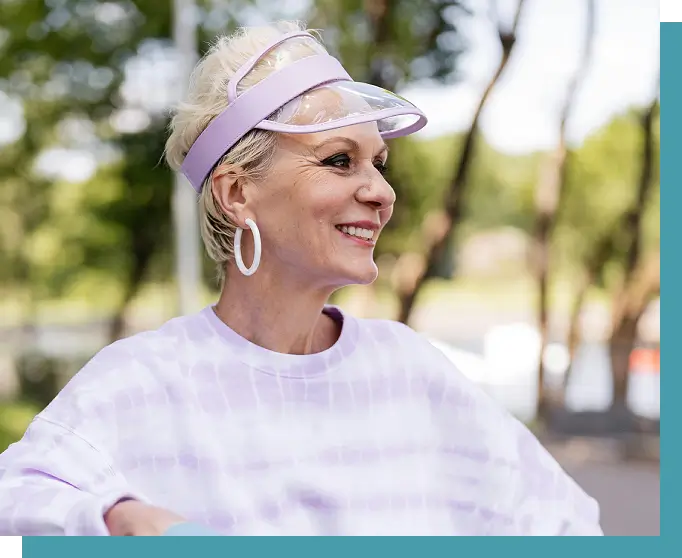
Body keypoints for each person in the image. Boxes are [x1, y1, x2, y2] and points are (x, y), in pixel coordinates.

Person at [0, 21, 603, 536]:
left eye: (378, 163)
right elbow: (17, 497)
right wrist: (118, 515)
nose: (381, 193)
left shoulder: (412, 373)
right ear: (237, 192)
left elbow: (564, 524)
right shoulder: (140, 381)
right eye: (339, 160)